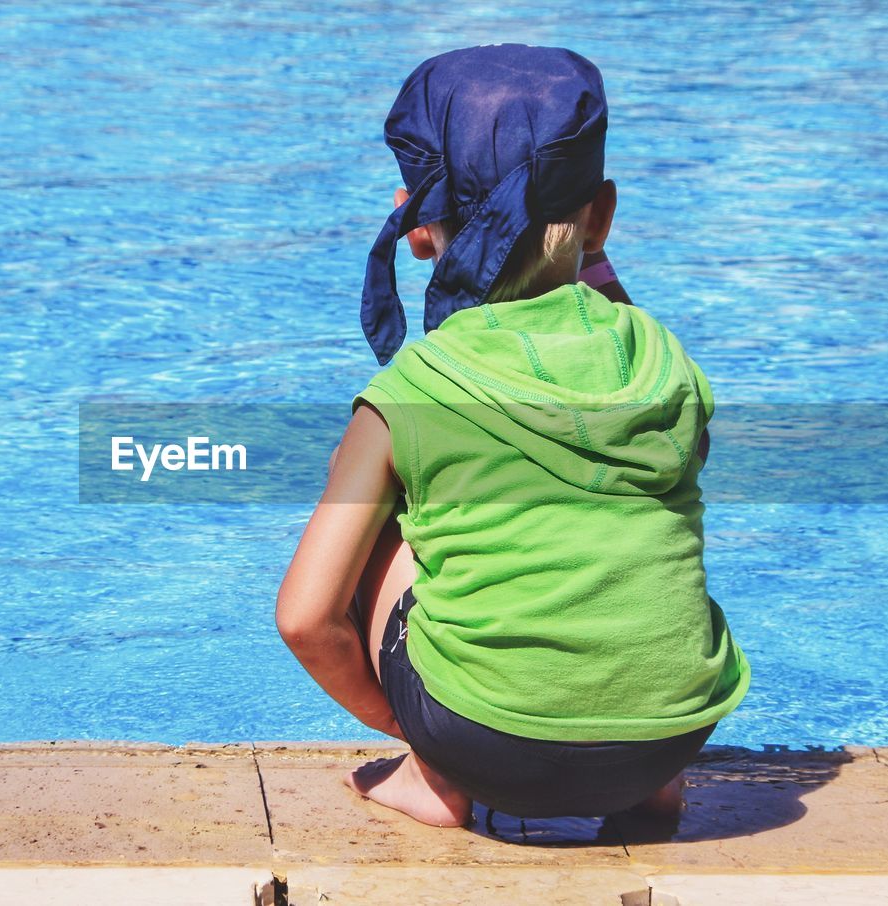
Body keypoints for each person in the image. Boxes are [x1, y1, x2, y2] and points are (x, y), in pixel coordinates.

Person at [276, 44, 750, 828]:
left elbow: (305, 618)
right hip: (672, 736)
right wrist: (584, 245)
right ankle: (649, 780)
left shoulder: (415, 391)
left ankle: (432, 782)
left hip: (480, 741)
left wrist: (404, 722)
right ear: (602, 213)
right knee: (638, 521)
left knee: (382, 507)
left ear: (419, 223)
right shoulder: (667, 361)